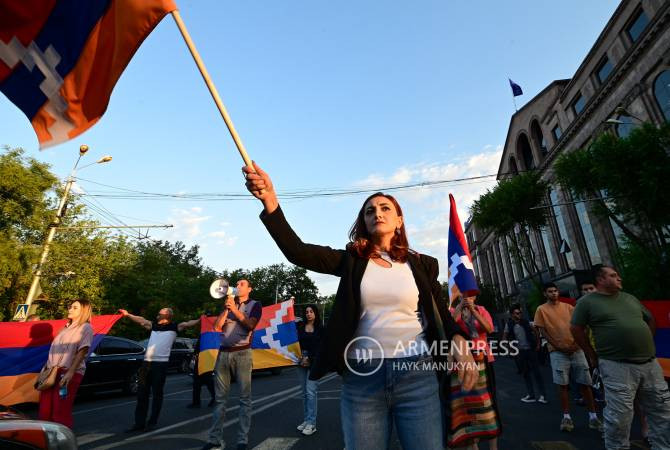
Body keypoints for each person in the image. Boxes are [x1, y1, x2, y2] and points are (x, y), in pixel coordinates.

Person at [243, 161, 477, 450]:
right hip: (362, 378)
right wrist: (270, 201)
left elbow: (441, 314)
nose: (377, 213)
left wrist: (458, 338)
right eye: (370, 210)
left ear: (399, 221)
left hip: (417, 375)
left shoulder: (423, 265)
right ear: (364, 222)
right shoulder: (351, 261)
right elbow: (297, 252)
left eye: (384, 208)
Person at [571, 265, 670, 449]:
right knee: (620, 417)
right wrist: (591, 354)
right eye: (613, 275)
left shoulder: (629, 298)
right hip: (617, 366)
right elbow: (576, 329)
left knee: (662, 412)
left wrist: (646, 341)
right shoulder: (587, 302)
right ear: (601, 280)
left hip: (649, 364)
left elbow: (649, 318)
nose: (619, 278)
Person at [533, 282, 602, 433]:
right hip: (557, 352)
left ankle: (593, 417)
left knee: (585, 383)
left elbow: (579, 327)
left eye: (555, 291)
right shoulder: (541, 310)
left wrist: (578, 344)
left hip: (576, 350)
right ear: (545, 294)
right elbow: (542, 330)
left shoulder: (569, 308)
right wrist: (557, 346)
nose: (554, 293)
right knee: (562, 385)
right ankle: (566, 417)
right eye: (550, 291)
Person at [202, 279, 262, 450]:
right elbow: (217, 326)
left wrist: (235, 310)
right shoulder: (229, 303)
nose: (238, 285)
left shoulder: (255, 305)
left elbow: (250, 325)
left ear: (249, 289)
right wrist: (227, 309)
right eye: (237, 283)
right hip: (223, 354)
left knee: (244, 399)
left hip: (243, 354)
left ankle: (242, 440)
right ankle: (214, 439)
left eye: (242, 284)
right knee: (220, 400)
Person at [120, 307, 200, 432]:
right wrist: (127, 314)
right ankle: (139, 423)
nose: (157, 314)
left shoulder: (175, 327)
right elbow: (141, 320)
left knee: (157, 394)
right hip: (146, 364)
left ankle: (152, 422)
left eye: (160, 313)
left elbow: (188, 323)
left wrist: (201, 319)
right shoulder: (153, 326)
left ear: (167, 315)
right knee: (141, 394)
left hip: (160, 365)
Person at [449, 296, 501, 449]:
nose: (467, 298)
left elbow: (489, 329)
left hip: (484, 360)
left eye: (470, 295)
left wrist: (474, 311)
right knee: (469, 406)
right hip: (464, 363)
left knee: (489, 403)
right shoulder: (453, 311)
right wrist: (458, 310)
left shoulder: (482, 310)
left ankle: (493, 446)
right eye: (464, 295)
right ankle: (473, 445)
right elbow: (449, 328)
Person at [38, 299, 94, 428]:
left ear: (83, 311)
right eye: (70, 306)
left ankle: (61, 442)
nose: (70, 309)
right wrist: (45, 369)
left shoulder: (86, 327)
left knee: (60, 411)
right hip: (51, 372)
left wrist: (70, 372)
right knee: (45, 410)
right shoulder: (65, 327)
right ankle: (47, 440)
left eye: (75, 308)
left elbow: (82, 351)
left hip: (67, 373)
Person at [503, 304, 547, 404]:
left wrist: (538, 344)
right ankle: (531, 395)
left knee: (537, 373)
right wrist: (509, 349)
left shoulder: (526, 322)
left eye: (520, 313)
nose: (519, 315)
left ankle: (543, 395)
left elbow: (536, 332)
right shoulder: (509, 324)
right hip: (520, 352)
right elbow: (504, 337)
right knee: (525, 374)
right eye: (516, 313)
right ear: (511, 314)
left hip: (530, 350)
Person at [296, 304, 323, 436]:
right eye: (306, 312)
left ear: (316, 313)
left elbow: (322, 348)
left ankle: (312, 424)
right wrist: (301, 357)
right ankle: (306, 420)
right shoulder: (300, 326)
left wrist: (310, 359)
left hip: (314, 362)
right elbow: (293, 341)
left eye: (311, 311)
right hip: (300, 360)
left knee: (311, 391)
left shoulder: (321, 329)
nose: (308, 314)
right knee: (304, 393)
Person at [187, 334, 216, 409]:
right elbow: (197, 347)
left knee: (207, 380)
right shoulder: (203, 334)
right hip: (200, 358)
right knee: (197, 382)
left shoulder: (208, 334)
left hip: (206, 359)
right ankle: (196, 402)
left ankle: (215, 398)